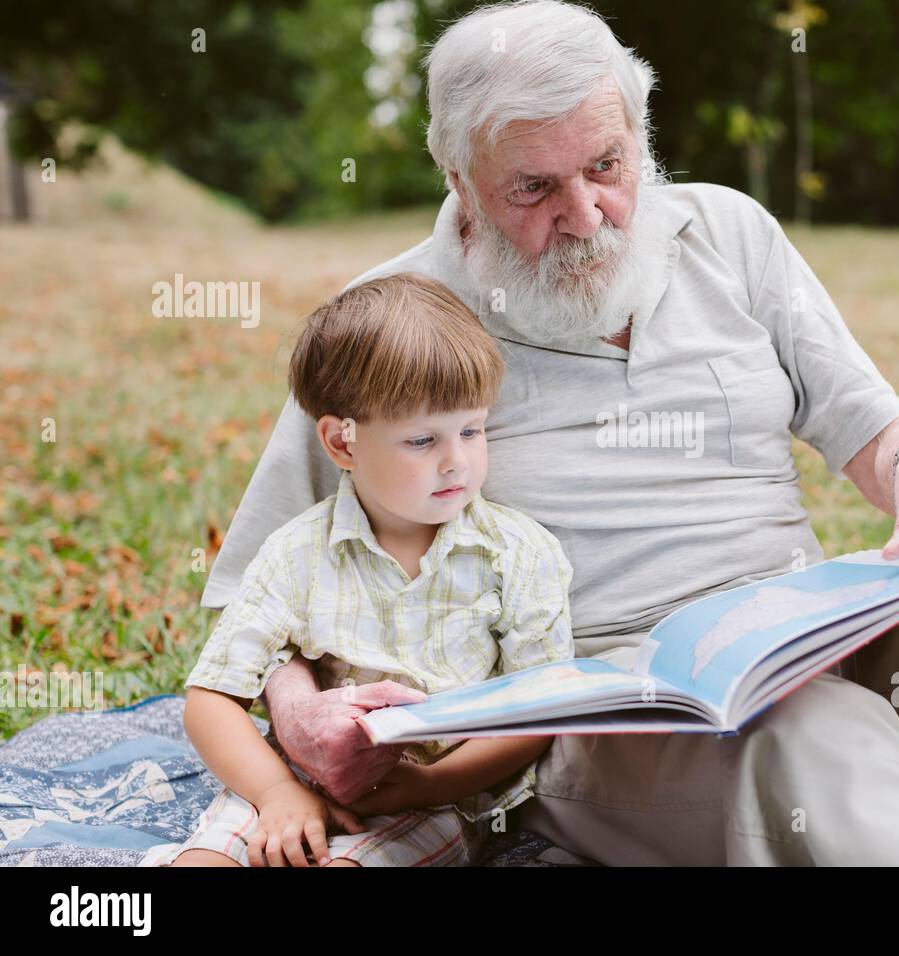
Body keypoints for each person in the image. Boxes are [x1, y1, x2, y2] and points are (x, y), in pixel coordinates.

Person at [199, 0, 899, 864]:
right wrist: (301, 716)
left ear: (639, 135)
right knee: (805, 738)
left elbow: (867, 421)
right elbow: (258, 584)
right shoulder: (390, 325)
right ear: (460, 181)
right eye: (535, 187)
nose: (585, 216)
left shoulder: (727, 231)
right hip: (605, 722)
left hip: (796, 629)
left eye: (607, 166)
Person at [142, 272, 575, 867]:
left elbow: (538, 711)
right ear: (342, 444)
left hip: (429, 797)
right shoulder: (296, 551)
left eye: (471, 430)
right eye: (422, 440)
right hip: (295, 776)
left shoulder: (517, 553)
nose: (458, 462)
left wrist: (433, 785)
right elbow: (210, 699)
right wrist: (276, 792)